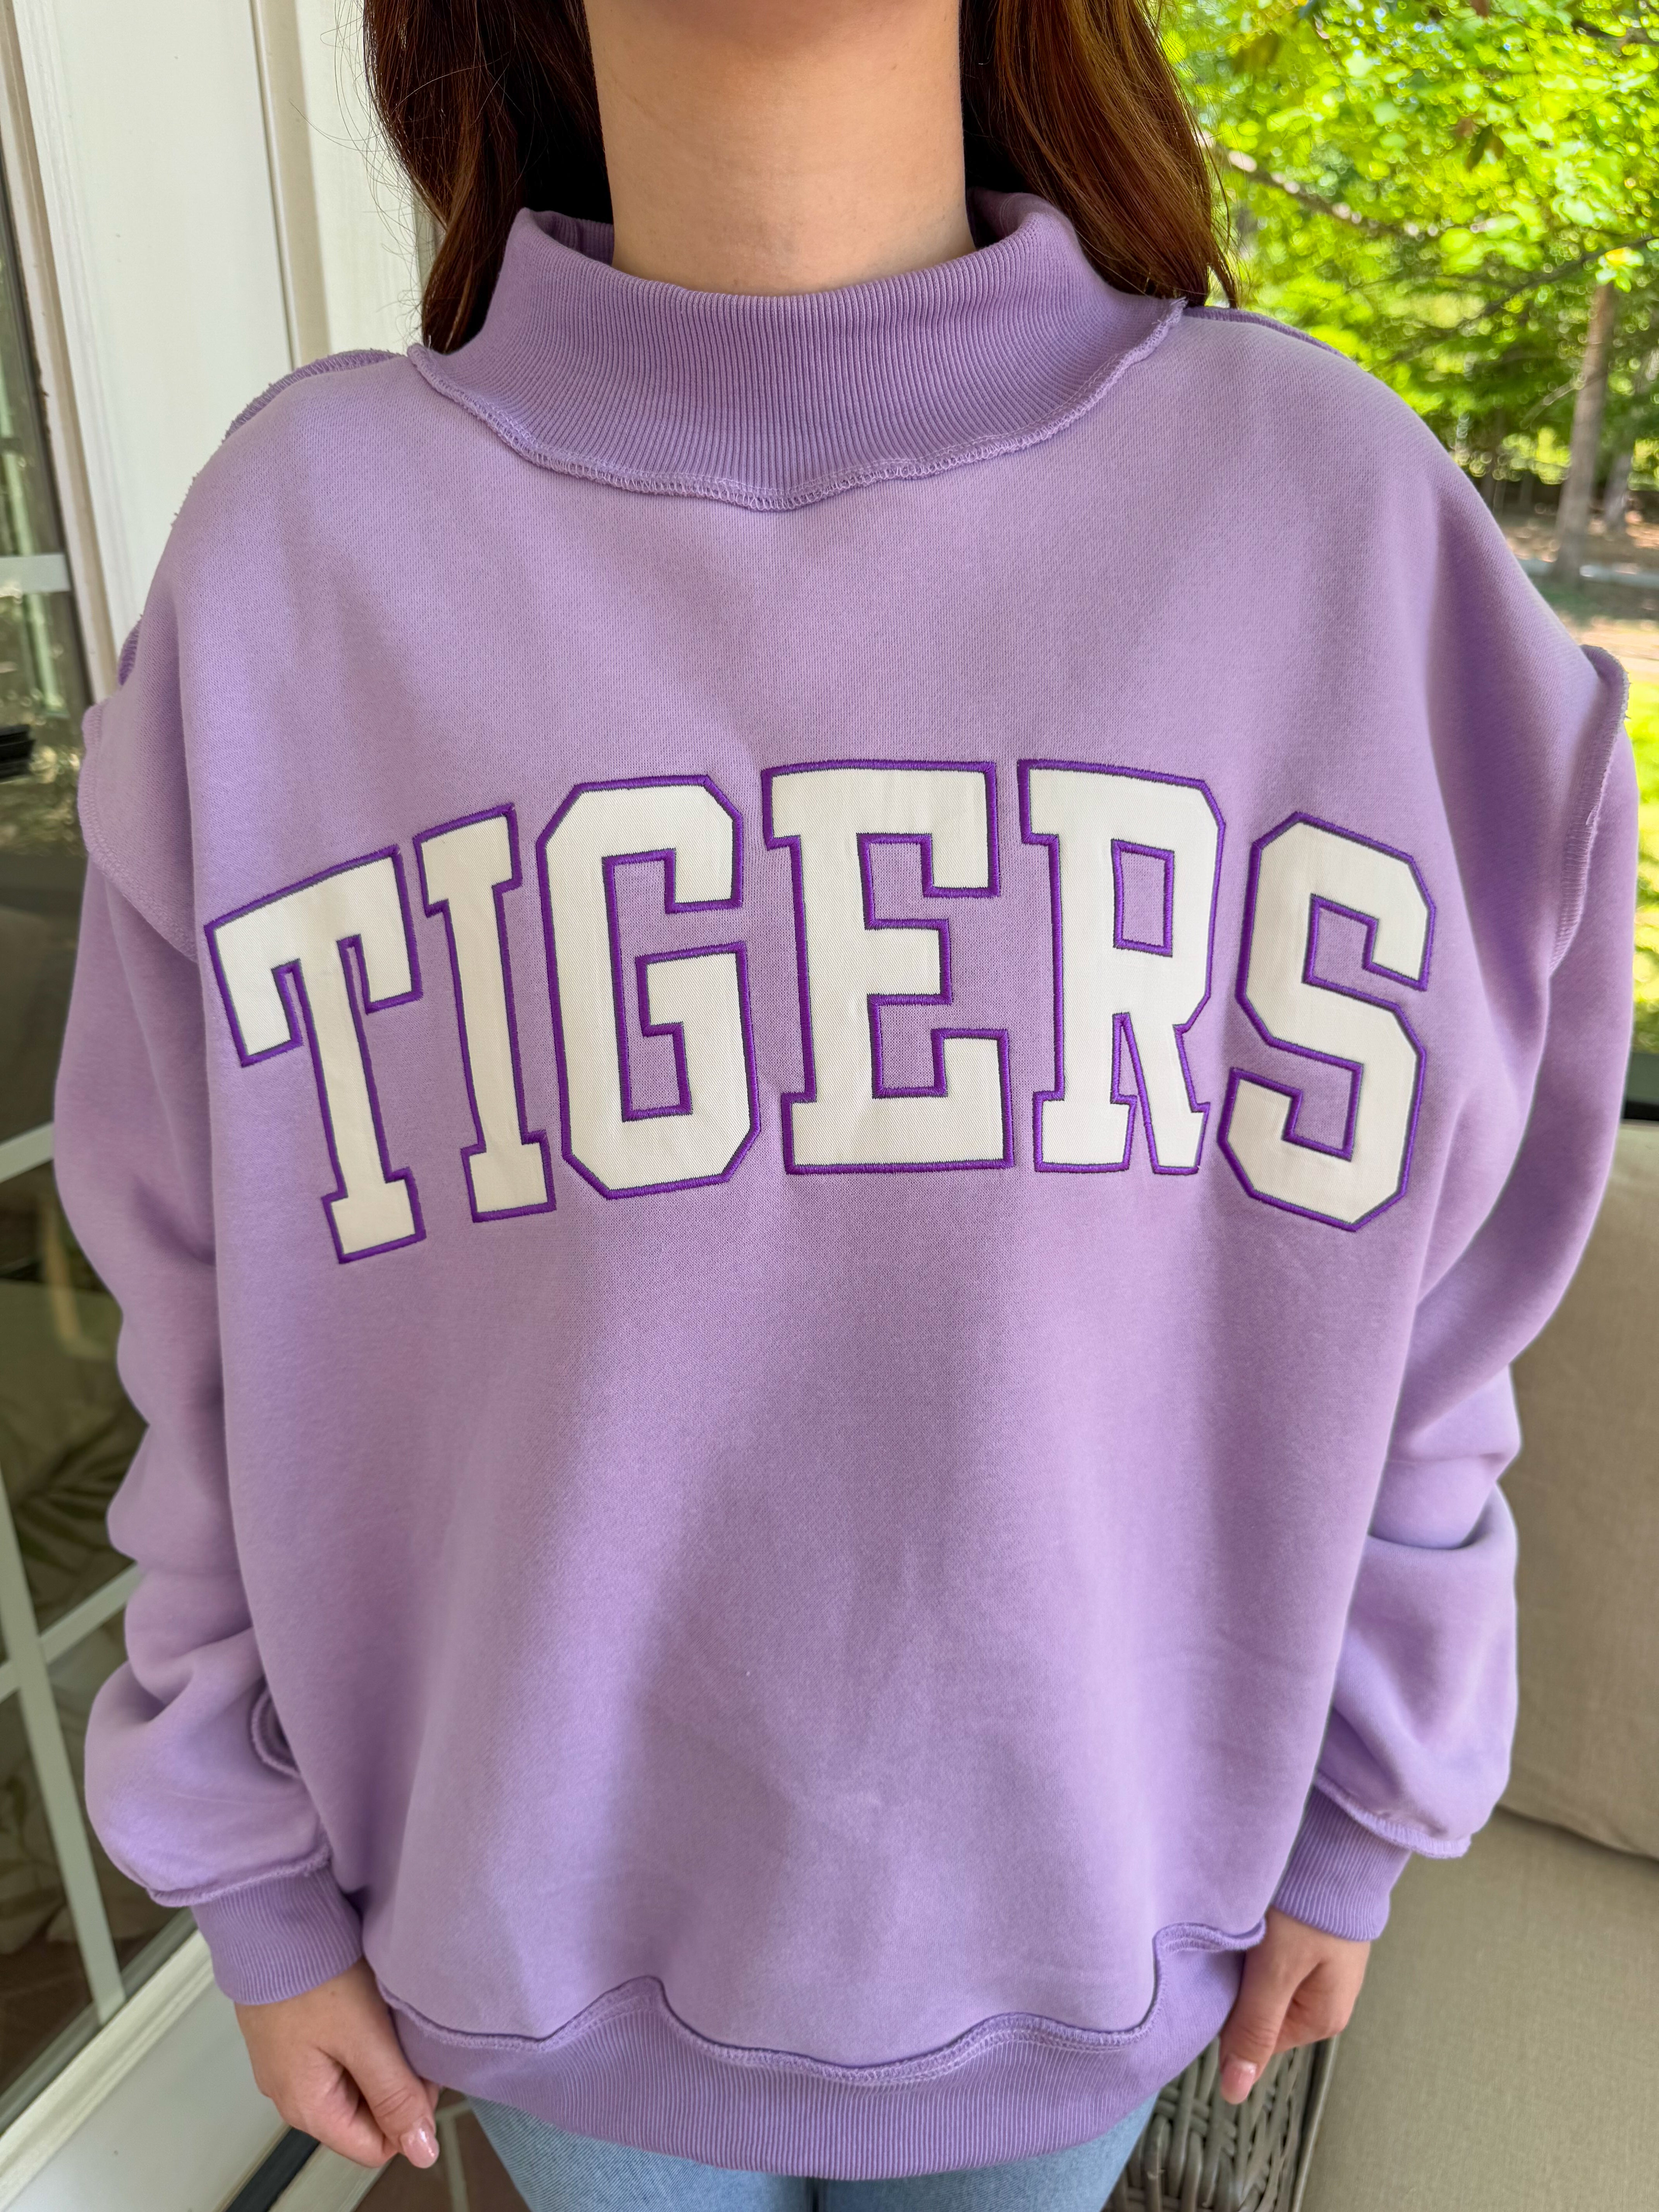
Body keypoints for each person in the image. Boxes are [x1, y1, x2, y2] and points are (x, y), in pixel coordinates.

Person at [53, 0, 1637, 2205]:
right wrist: (241, 1861)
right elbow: (199, 1310)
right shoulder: (295, 562)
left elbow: (1449, 1277)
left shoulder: (1331, 521)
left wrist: (1370, 1792)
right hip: (524, 1953)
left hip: (1099, 1933)